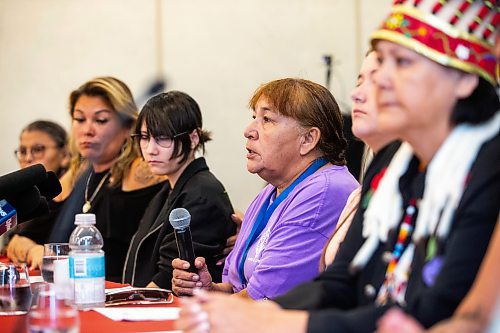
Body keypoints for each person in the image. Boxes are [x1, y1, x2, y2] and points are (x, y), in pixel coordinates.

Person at [175, 1, 499, 332]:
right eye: (380, 63)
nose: (381, 81)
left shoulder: (488, 168)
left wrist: (276, 322)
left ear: (464, 81)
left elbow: (434, 310)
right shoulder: (392, 163)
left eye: (402, 63)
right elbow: (342, 280)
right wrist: (257, 314)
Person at [172, 78, 359, 300]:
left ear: (308, 139)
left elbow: (262, 300)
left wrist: (211, 305)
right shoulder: (270, 192)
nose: (249, 130)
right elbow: (236, 287)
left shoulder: (325, 192)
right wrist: (207, 290)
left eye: (267, 119)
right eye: (254, 118)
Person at [7, 77, 166, 282]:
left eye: (100, 120)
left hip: (121, 298)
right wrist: (35, 251)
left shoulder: (144, 171)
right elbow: (19, 240)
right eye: (80, 119)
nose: (87, 130)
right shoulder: (79, 173)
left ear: (128, 126)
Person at [122, 91, 235, 289]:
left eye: (163, 138)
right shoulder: (170, 187)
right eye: (145, 137)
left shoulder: (202, 194)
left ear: (193, 138)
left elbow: (168, 277)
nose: (150, 149)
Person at [319, 50, 398, 271]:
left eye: (375, 81)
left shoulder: (329, 186)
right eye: (359, 80)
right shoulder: (359, 193)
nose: (355, 94)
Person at [5, 120, 70, 252]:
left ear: (64, 155)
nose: (28, 158)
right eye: (23, 151)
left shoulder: (74, 198)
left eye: (38, 149)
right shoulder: (14, 199)